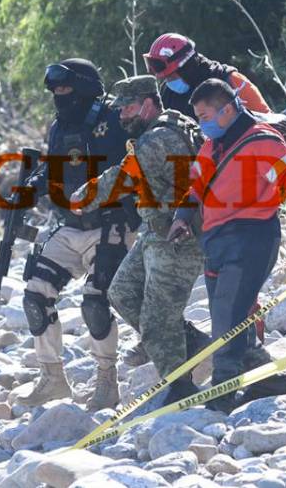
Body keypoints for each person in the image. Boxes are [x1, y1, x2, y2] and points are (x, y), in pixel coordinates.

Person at [168, 79, 286, 413]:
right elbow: (195, 185)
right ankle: (263, 379)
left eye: (205, 116)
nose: (202, 123)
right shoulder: (212, 145)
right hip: (216, 241)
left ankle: (222, 395)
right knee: (226, 314)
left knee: (228, 316)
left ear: (227, 110)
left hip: (252, 237)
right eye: (198, 117)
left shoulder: (264, 141)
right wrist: (181, 217)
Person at [74, 75, 209, 403]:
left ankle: (180, 388)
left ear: (149, 104)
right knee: (121, 293)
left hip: (179, 237)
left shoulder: (157, 139)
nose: (122, 115)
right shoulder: (165, 127)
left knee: (156, 320)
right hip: (155, 230)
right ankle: (193, 344)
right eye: (120, 109)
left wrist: (82, 198)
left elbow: (121, 178)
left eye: (129, 108)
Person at [15, 59, 135, 411]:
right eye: (54, 90)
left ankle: (107, 381)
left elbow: (133, 168)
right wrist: (32, 188)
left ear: (84, 88)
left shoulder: (114, 120)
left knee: (95, 302)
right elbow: (53, 170)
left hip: (111, 224)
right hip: (69, 225)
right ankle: (52, 379)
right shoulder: (59, 126)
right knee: (35, 295)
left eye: (65, 88)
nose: (59, 94)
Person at [143, 33, 271, 121]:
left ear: (186, 68)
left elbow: (269, 122)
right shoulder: (167, 92)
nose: (168, 82)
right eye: (165, 78)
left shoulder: (231, 80)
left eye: (171, 77)